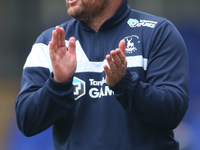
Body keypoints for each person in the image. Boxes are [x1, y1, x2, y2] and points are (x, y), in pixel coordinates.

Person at [15, 0, 189, 149]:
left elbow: (173, 111)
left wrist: (124, 84)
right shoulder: (50, 43)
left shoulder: (158, 33)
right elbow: (26, 122)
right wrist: (58, 84)